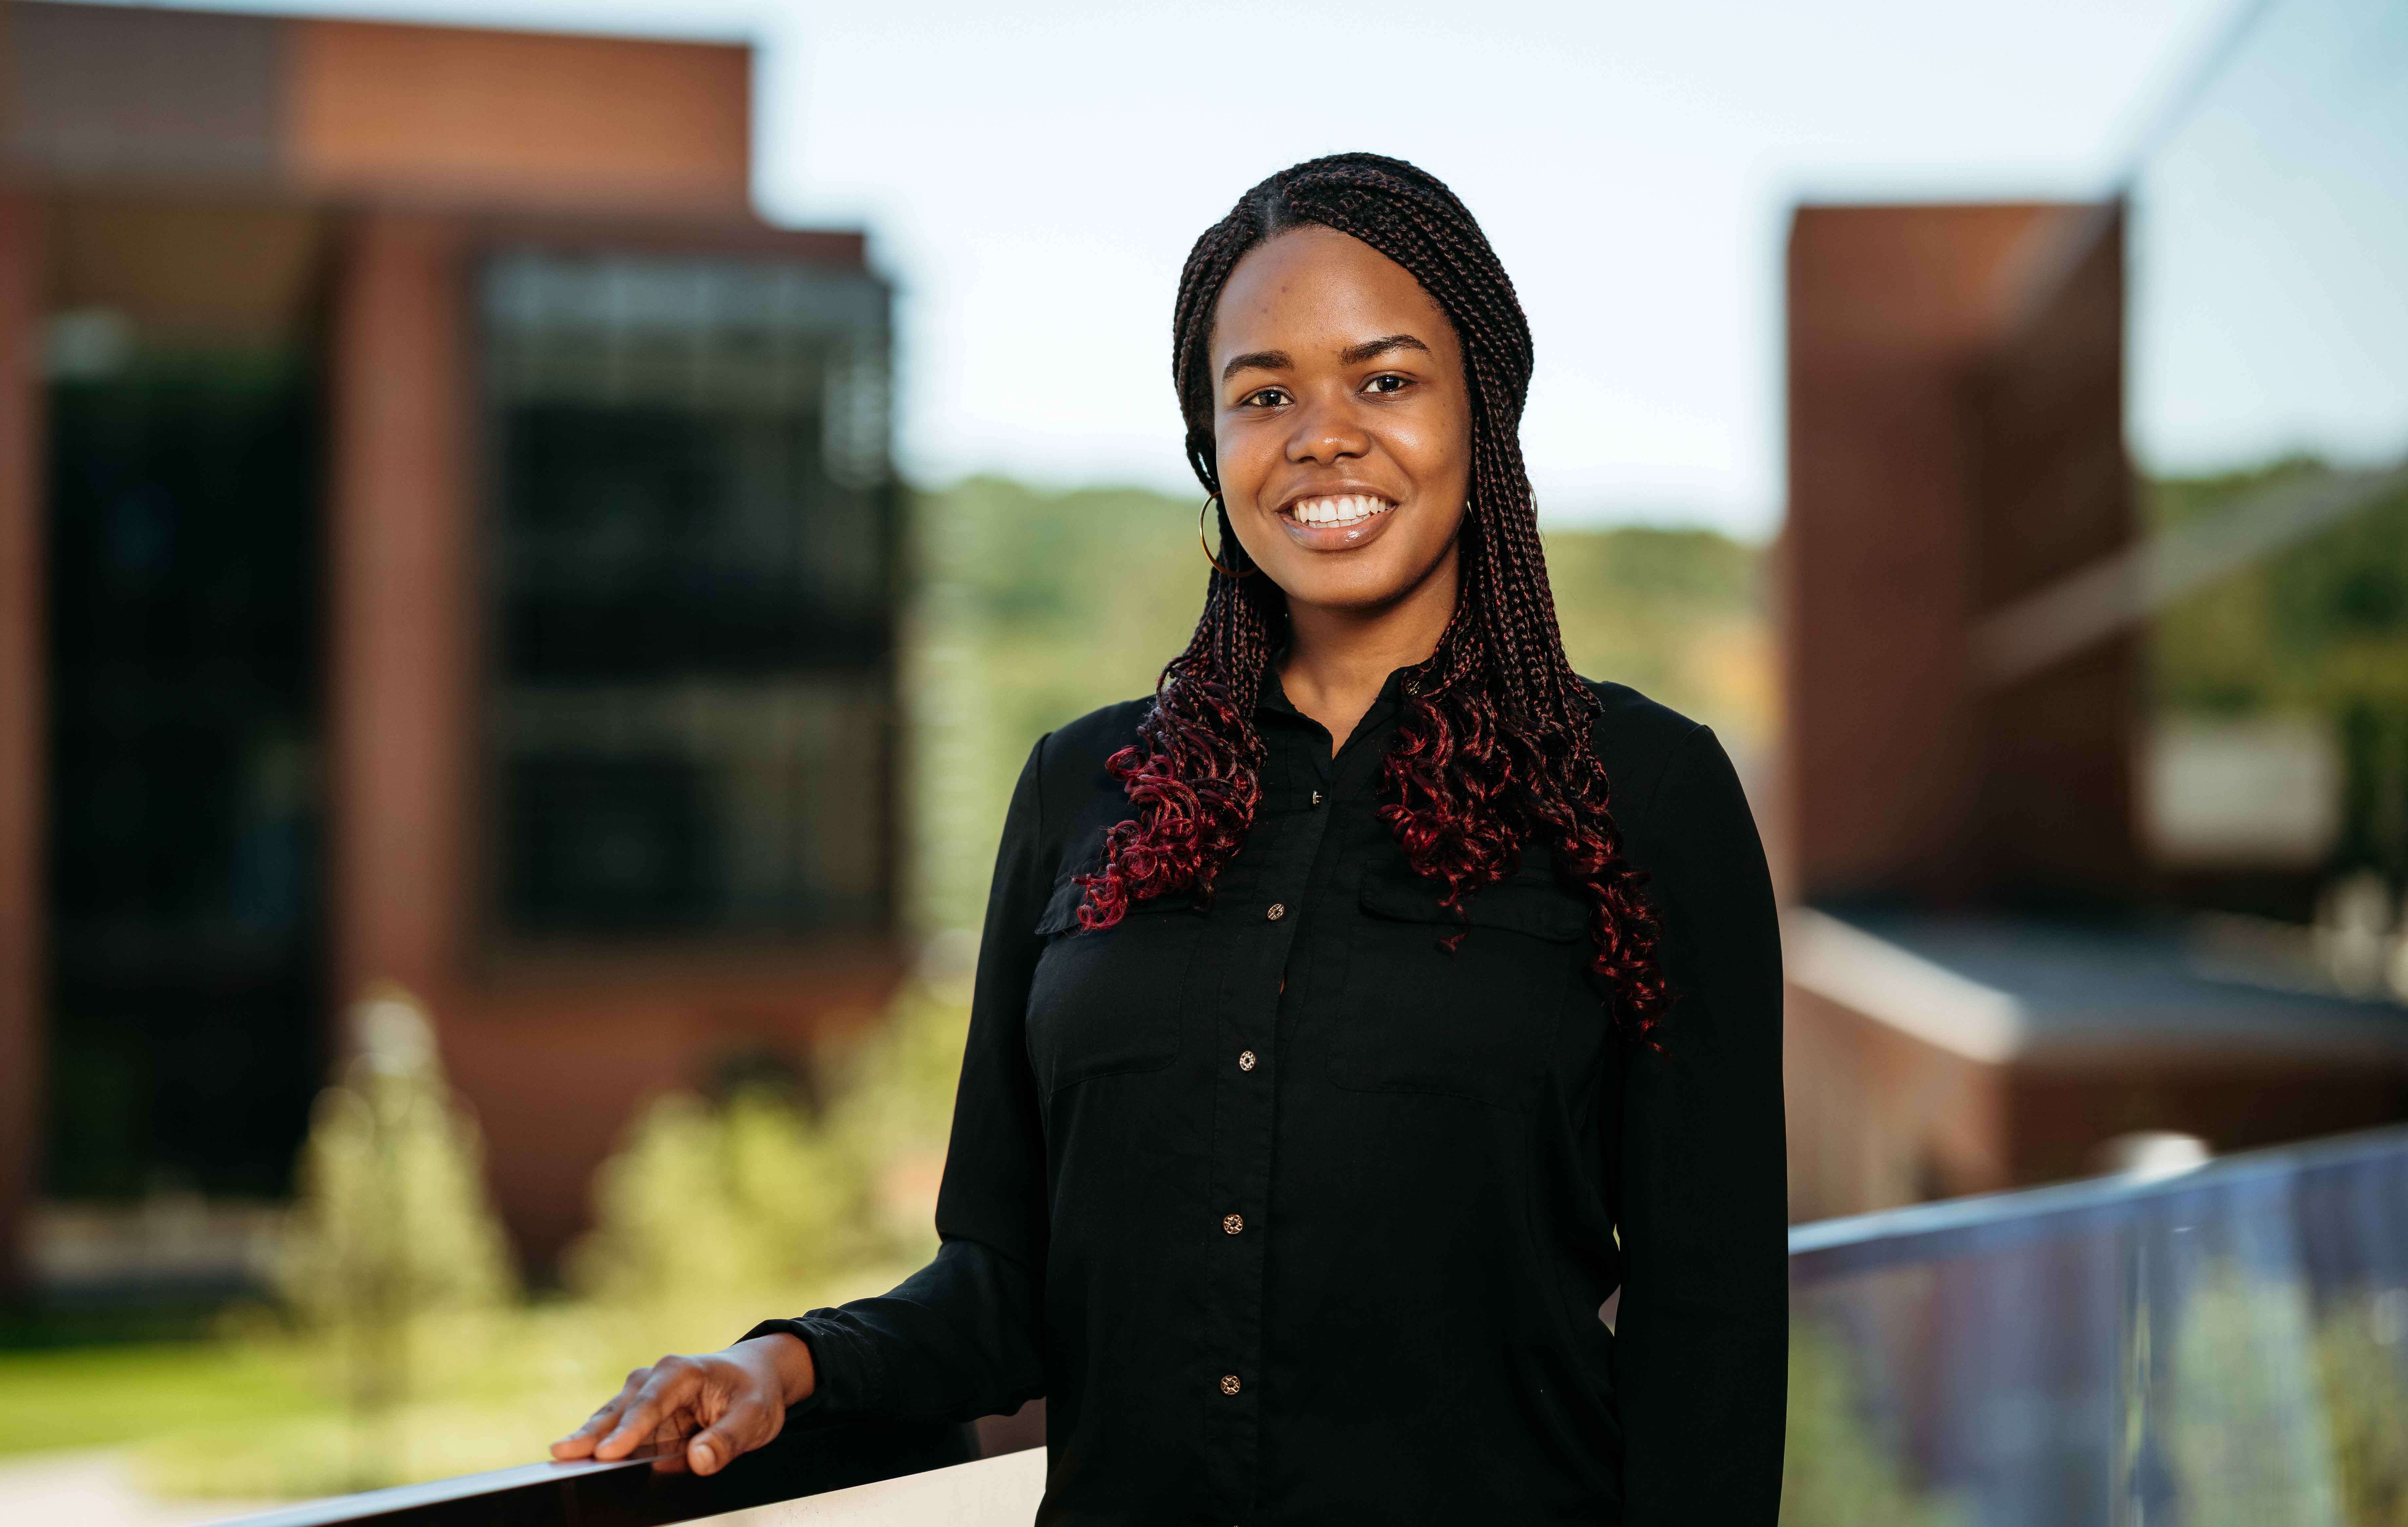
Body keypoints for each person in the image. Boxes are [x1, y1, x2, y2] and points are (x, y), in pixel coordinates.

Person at [553, 152, 1787, 1525]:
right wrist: (783, 1360)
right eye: (1265, 394)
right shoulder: (1080, 786)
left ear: (1482, 407)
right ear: (1213, 443)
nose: (1322, 436)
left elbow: (1712, 1323)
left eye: (1385, 380)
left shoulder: (1647, 791)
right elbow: (1006, 1286)